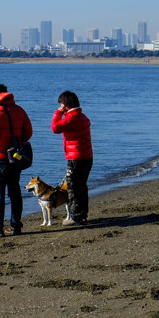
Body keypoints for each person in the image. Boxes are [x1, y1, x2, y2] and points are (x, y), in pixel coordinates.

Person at [0, 83, 33, 237]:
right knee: (15, 192)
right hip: (15, 157)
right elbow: (28, 133)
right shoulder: (19, 110)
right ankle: (16, 226)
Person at [51, 90, 93, 225]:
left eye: (61, 104)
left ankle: (75, 216)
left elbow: (55, 128)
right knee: (81, 185)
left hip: (76, 157)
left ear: (65, 104)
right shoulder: (82, 116)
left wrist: (58, 112)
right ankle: (82, 213)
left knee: (73, 186)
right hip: (86, 156)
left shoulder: (72, 117)